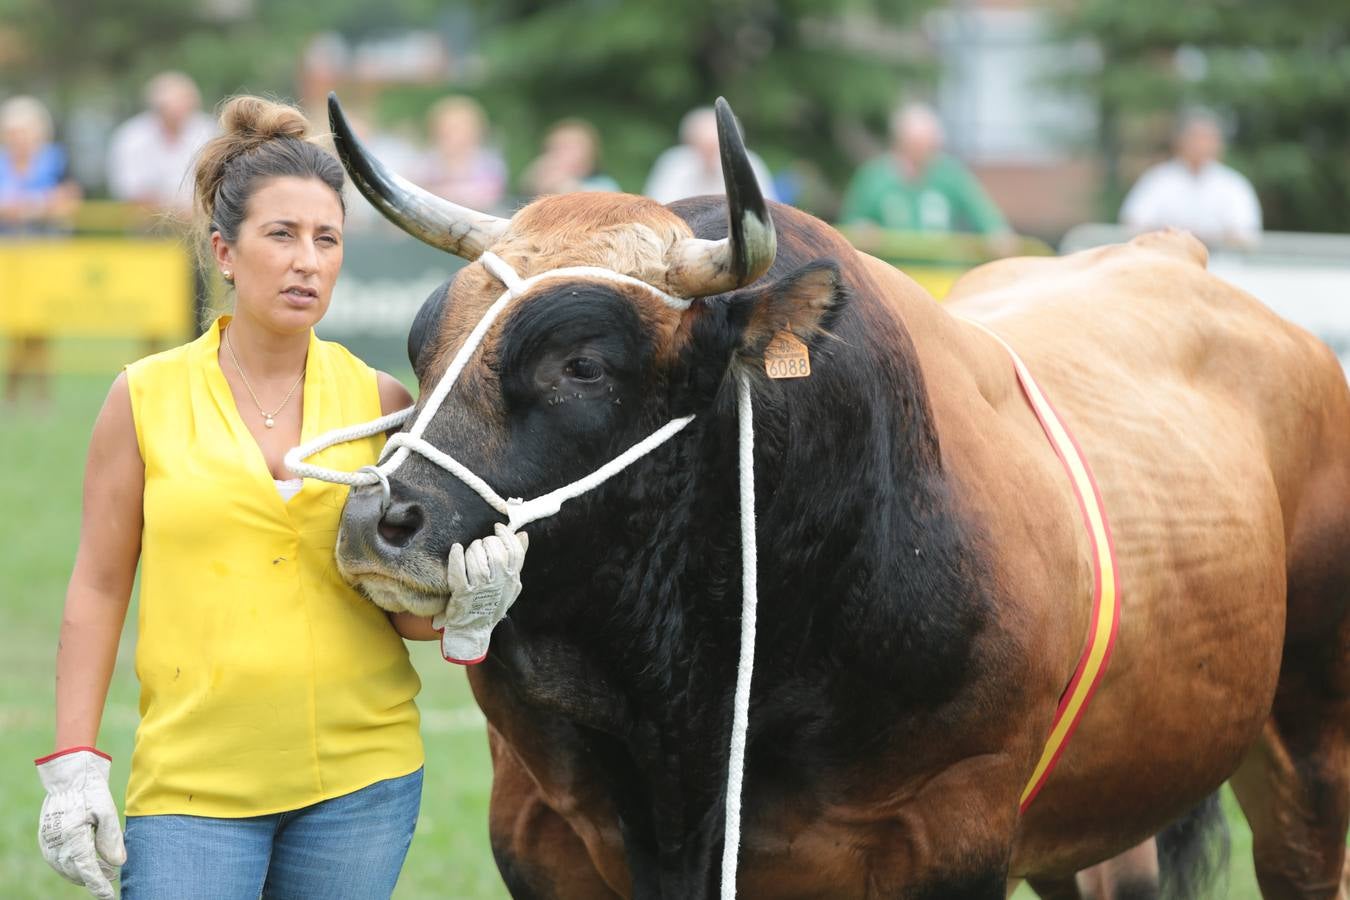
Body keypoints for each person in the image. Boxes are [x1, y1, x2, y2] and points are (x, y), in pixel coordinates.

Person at [34, 96, 451, 900]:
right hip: (193, 790)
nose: (308, 260)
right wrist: (74, 764)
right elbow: (97, 583)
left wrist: (470, 601)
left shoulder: (382, 403)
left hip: (365, 781)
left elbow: (406, 609)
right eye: (282, 235)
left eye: (327, 239)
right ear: (224, 251)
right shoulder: (143, 396)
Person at [839, 102, 1013, 250]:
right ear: (900, 142)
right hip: (890, 275)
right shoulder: (874, 176)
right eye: (914, 143)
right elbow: (852, 222)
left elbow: (983, 214)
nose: (920, 151)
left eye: (925, 144)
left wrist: (996, 235)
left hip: (939, 274)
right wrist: (863, 232)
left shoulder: (950, 175)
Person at [1, 95, 81, 408]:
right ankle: (11, 393)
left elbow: (70, 197)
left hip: (45, 252)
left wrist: (31, 207)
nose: (19, 139)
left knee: (40, 325)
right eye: (13, 132)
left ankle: (39, 395)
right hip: (8, 255)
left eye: (25, 131)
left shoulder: (55, 159)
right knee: (15, 324)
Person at [1119, 109, 1262, 248]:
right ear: (1180, 141)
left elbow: (1247, 235)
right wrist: (1176, 239)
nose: (1200, 145)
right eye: (1195, 137)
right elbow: (1133, 224)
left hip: (1223, 266)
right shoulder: (1157, 179)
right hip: (1166, 264)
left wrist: (1205, 240)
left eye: (1207, 138)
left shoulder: (1233, 184)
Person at [106, 71, 218, 223]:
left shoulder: (208, 131)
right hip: (148, 225)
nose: (177, 113)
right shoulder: (132, 137)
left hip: (202, 222)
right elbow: (131, 192)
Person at [643, 106, 777, 204]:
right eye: (701, 145)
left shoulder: (747, 163)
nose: (709, 154)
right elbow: (658, 207)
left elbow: (767, 209)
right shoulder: (675, 163)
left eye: (716, 147)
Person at [414, 95, 507, 213]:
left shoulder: (487, 162)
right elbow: (419, 192)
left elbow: (488, 195)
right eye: (447, 131)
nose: (453, 137)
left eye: (459, 130)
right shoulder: (427, 163)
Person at [521, 118, 619, 197]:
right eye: (554, 148)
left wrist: (561, 184)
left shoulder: (603, 184)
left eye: (567, 148)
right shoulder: (541, 176)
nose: (559, 155)